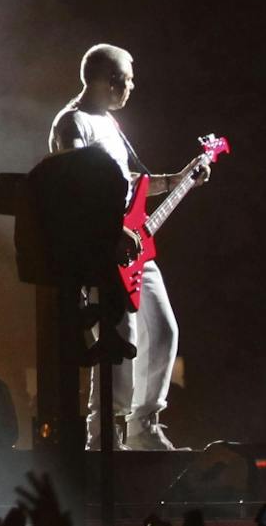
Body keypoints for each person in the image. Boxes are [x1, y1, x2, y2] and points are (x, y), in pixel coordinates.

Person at [49, 42, 209, 452]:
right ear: (107, 81)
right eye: (128, 80)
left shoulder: (112, 125)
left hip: (135, 247)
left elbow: (132, 186)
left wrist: (177, 179)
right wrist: (110, 230)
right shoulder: (72, 125)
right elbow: (71, 192)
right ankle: (105, 433)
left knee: (164, 331)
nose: (133, 87)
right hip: (102, 250)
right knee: (120, 342)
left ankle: (144, 423)